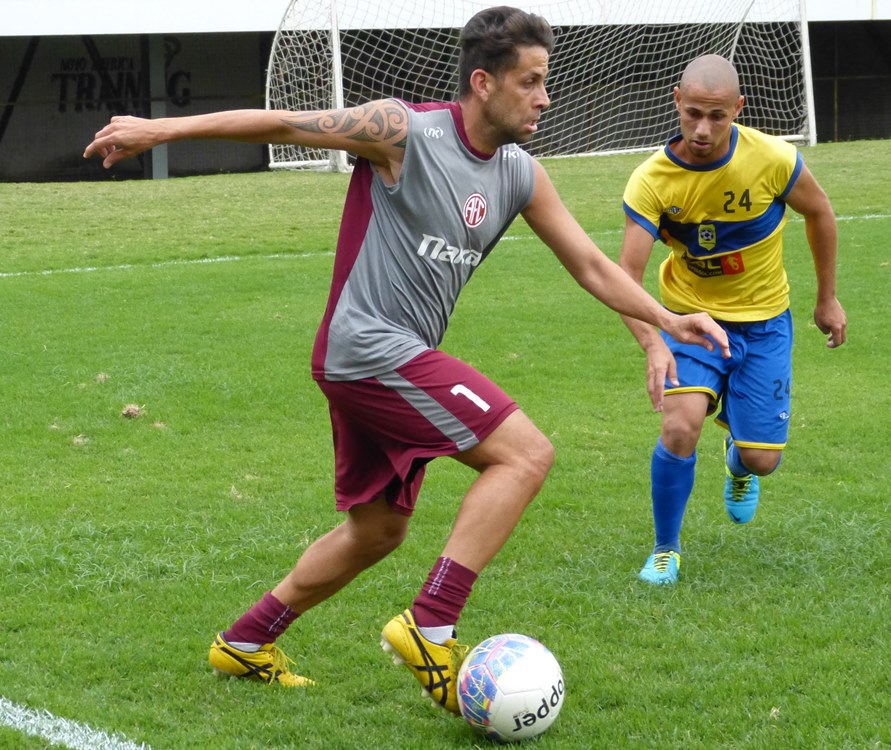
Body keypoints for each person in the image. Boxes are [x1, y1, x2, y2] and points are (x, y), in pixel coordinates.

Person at [85, 7, 730, 713]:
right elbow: (282, 122)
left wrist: (665, 319)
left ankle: (244, 643)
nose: (545, 97)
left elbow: (588, 264)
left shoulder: (519, 174)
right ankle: (431, 625)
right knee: (525, 455)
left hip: (385, 358)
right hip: (368, 348)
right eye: (531, 81)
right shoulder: (402, 132)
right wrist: (159, 129)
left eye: (547, 82)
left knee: (379, 529)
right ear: (483, 83)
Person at [619, 54, 847, 587]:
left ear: (738, 109)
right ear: (676, 100)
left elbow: (820, 212)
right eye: (694, 112)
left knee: (761, 459)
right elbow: (624, 275)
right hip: (691, 322)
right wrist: (655, 341)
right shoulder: (652, 180)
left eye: (717, 116)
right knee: (679, 426)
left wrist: (827, 299)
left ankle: (739, 461)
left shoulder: (773, 160)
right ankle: (665, 550)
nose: (703, 129)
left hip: (765, 323)